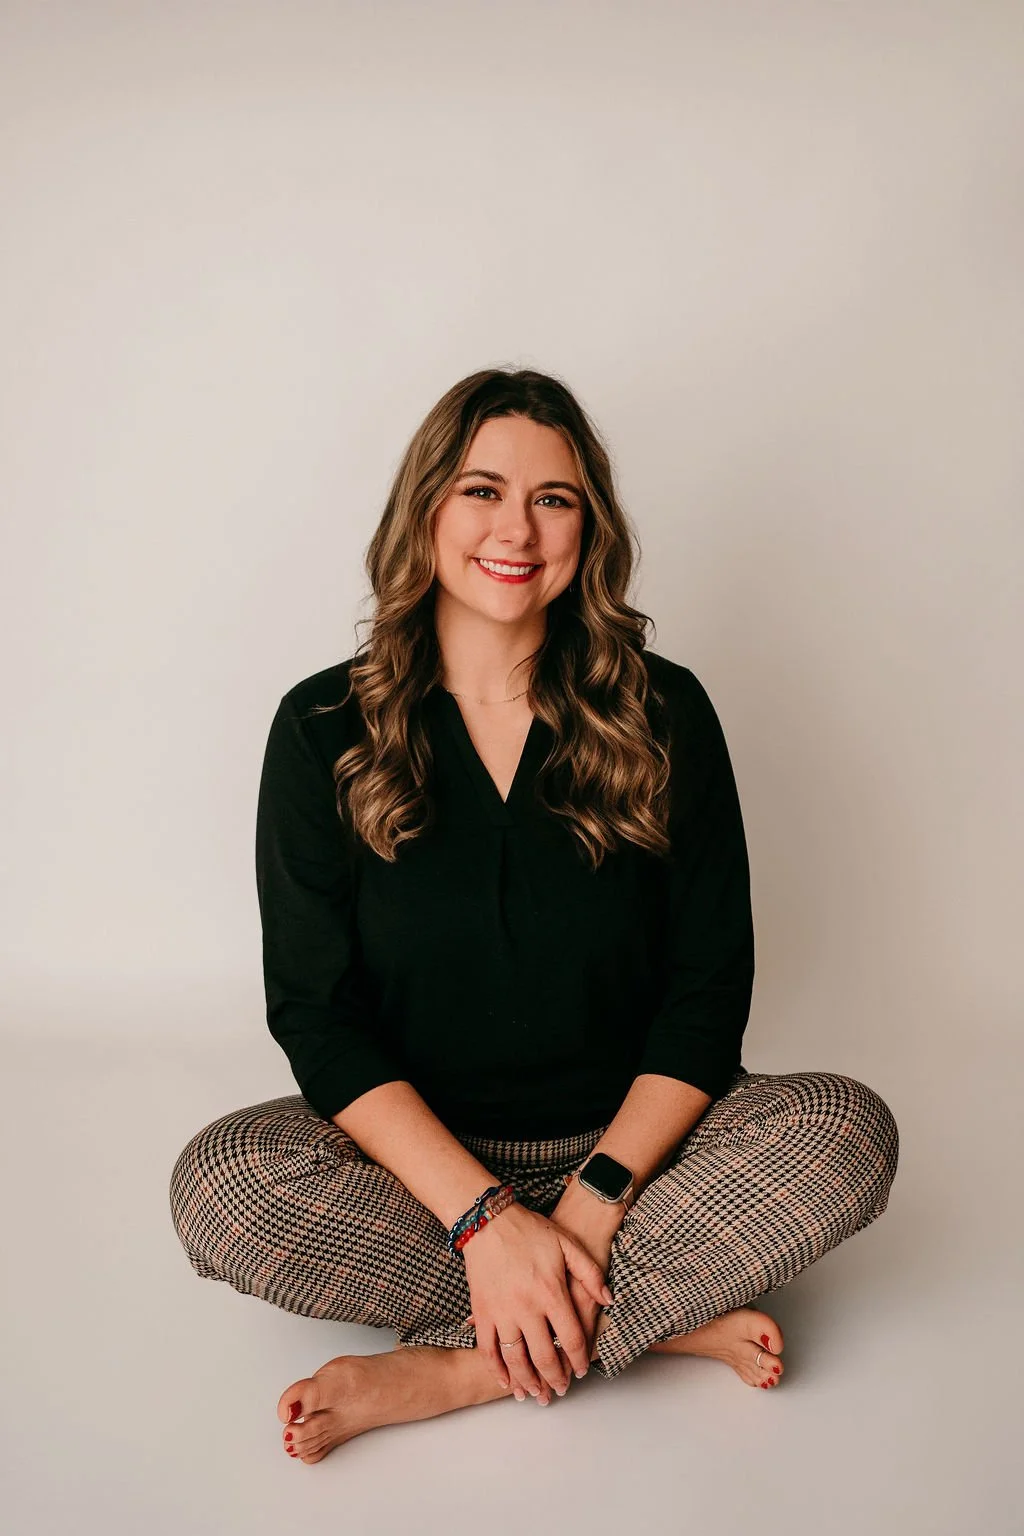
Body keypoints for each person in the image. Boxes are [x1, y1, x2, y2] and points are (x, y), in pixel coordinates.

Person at [169, 367, 899, 1466]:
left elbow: (708, 994)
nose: (516, 527)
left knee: (847, 1132)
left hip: (645, 1157)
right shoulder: (321, 727)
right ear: (427, 510)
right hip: (421, 1172)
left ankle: (464, 1365)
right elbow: (317, 1017)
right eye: (482, 490)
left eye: (553, 500)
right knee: (219, 1187)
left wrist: (595, 1199)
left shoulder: (665, 712)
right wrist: (483, 1220)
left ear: (588, 528)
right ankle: (649, 1319)